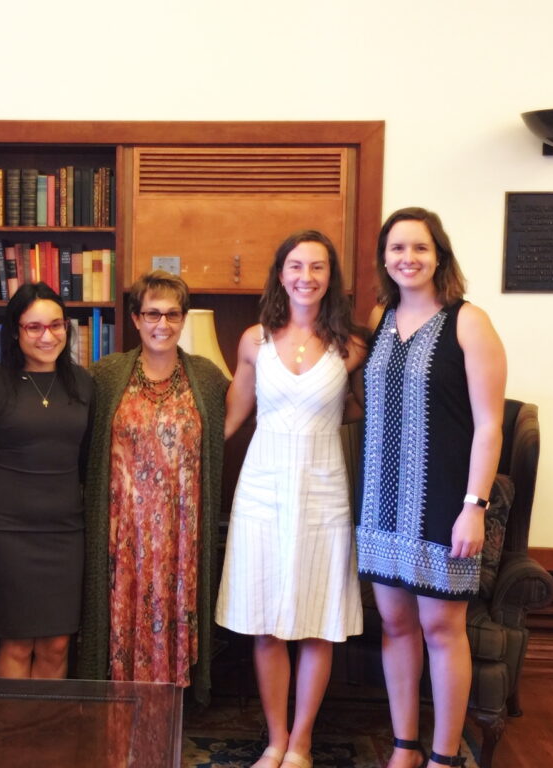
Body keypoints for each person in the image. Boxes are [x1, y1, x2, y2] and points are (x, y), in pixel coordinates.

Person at [357, 208, 506, 768]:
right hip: (381, 498)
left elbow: (489, 425)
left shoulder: (469, 320)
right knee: (395, 625)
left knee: (442, 627)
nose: (408, 259)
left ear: (439, 255)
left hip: (446, 498)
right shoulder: (378, 318)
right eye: (397, 249)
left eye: (420, 248)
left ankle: (444, 756)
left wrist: (475, 507)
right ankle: (405, 746)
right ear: (385, 258)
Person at [216, 230, 365, 768]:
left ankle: (301, 743)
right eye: (296, 266)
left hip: (323, 490)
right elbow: (232, 416)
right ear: (281, 274)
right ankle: (275, 739)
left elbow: (360, 413)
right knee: (265, 621)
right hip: (261, 489)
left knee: (318, 620)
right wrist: (181, 461)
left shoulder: (352, 347)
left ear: (331, 278)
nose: (306, 276)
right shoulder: (255, 340)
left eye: (318, 267)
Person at [79, 270, 229, 706]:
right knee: (116, 614)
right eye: (152, 314)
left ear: (183, 319)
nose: (162, 324)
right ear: (136, 318)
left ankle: (169, 707)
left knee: (176, 608)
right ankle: (122, 704)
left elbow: (225, 434)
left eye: (172, 314)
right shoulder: (106, 376)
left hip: (181, 532)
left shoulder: (207, 378)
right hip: (121, 531)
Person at [0, 282, 93, 679]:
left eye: (57, 325)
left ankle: (45, 734)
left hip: (66, 530)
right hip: (8, 530)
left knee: (58, 643)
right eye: (34, 327)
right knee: (17, 641)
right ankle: (10, 737)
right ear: (15, 331)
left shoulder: (84, 384)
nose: (48, 336)